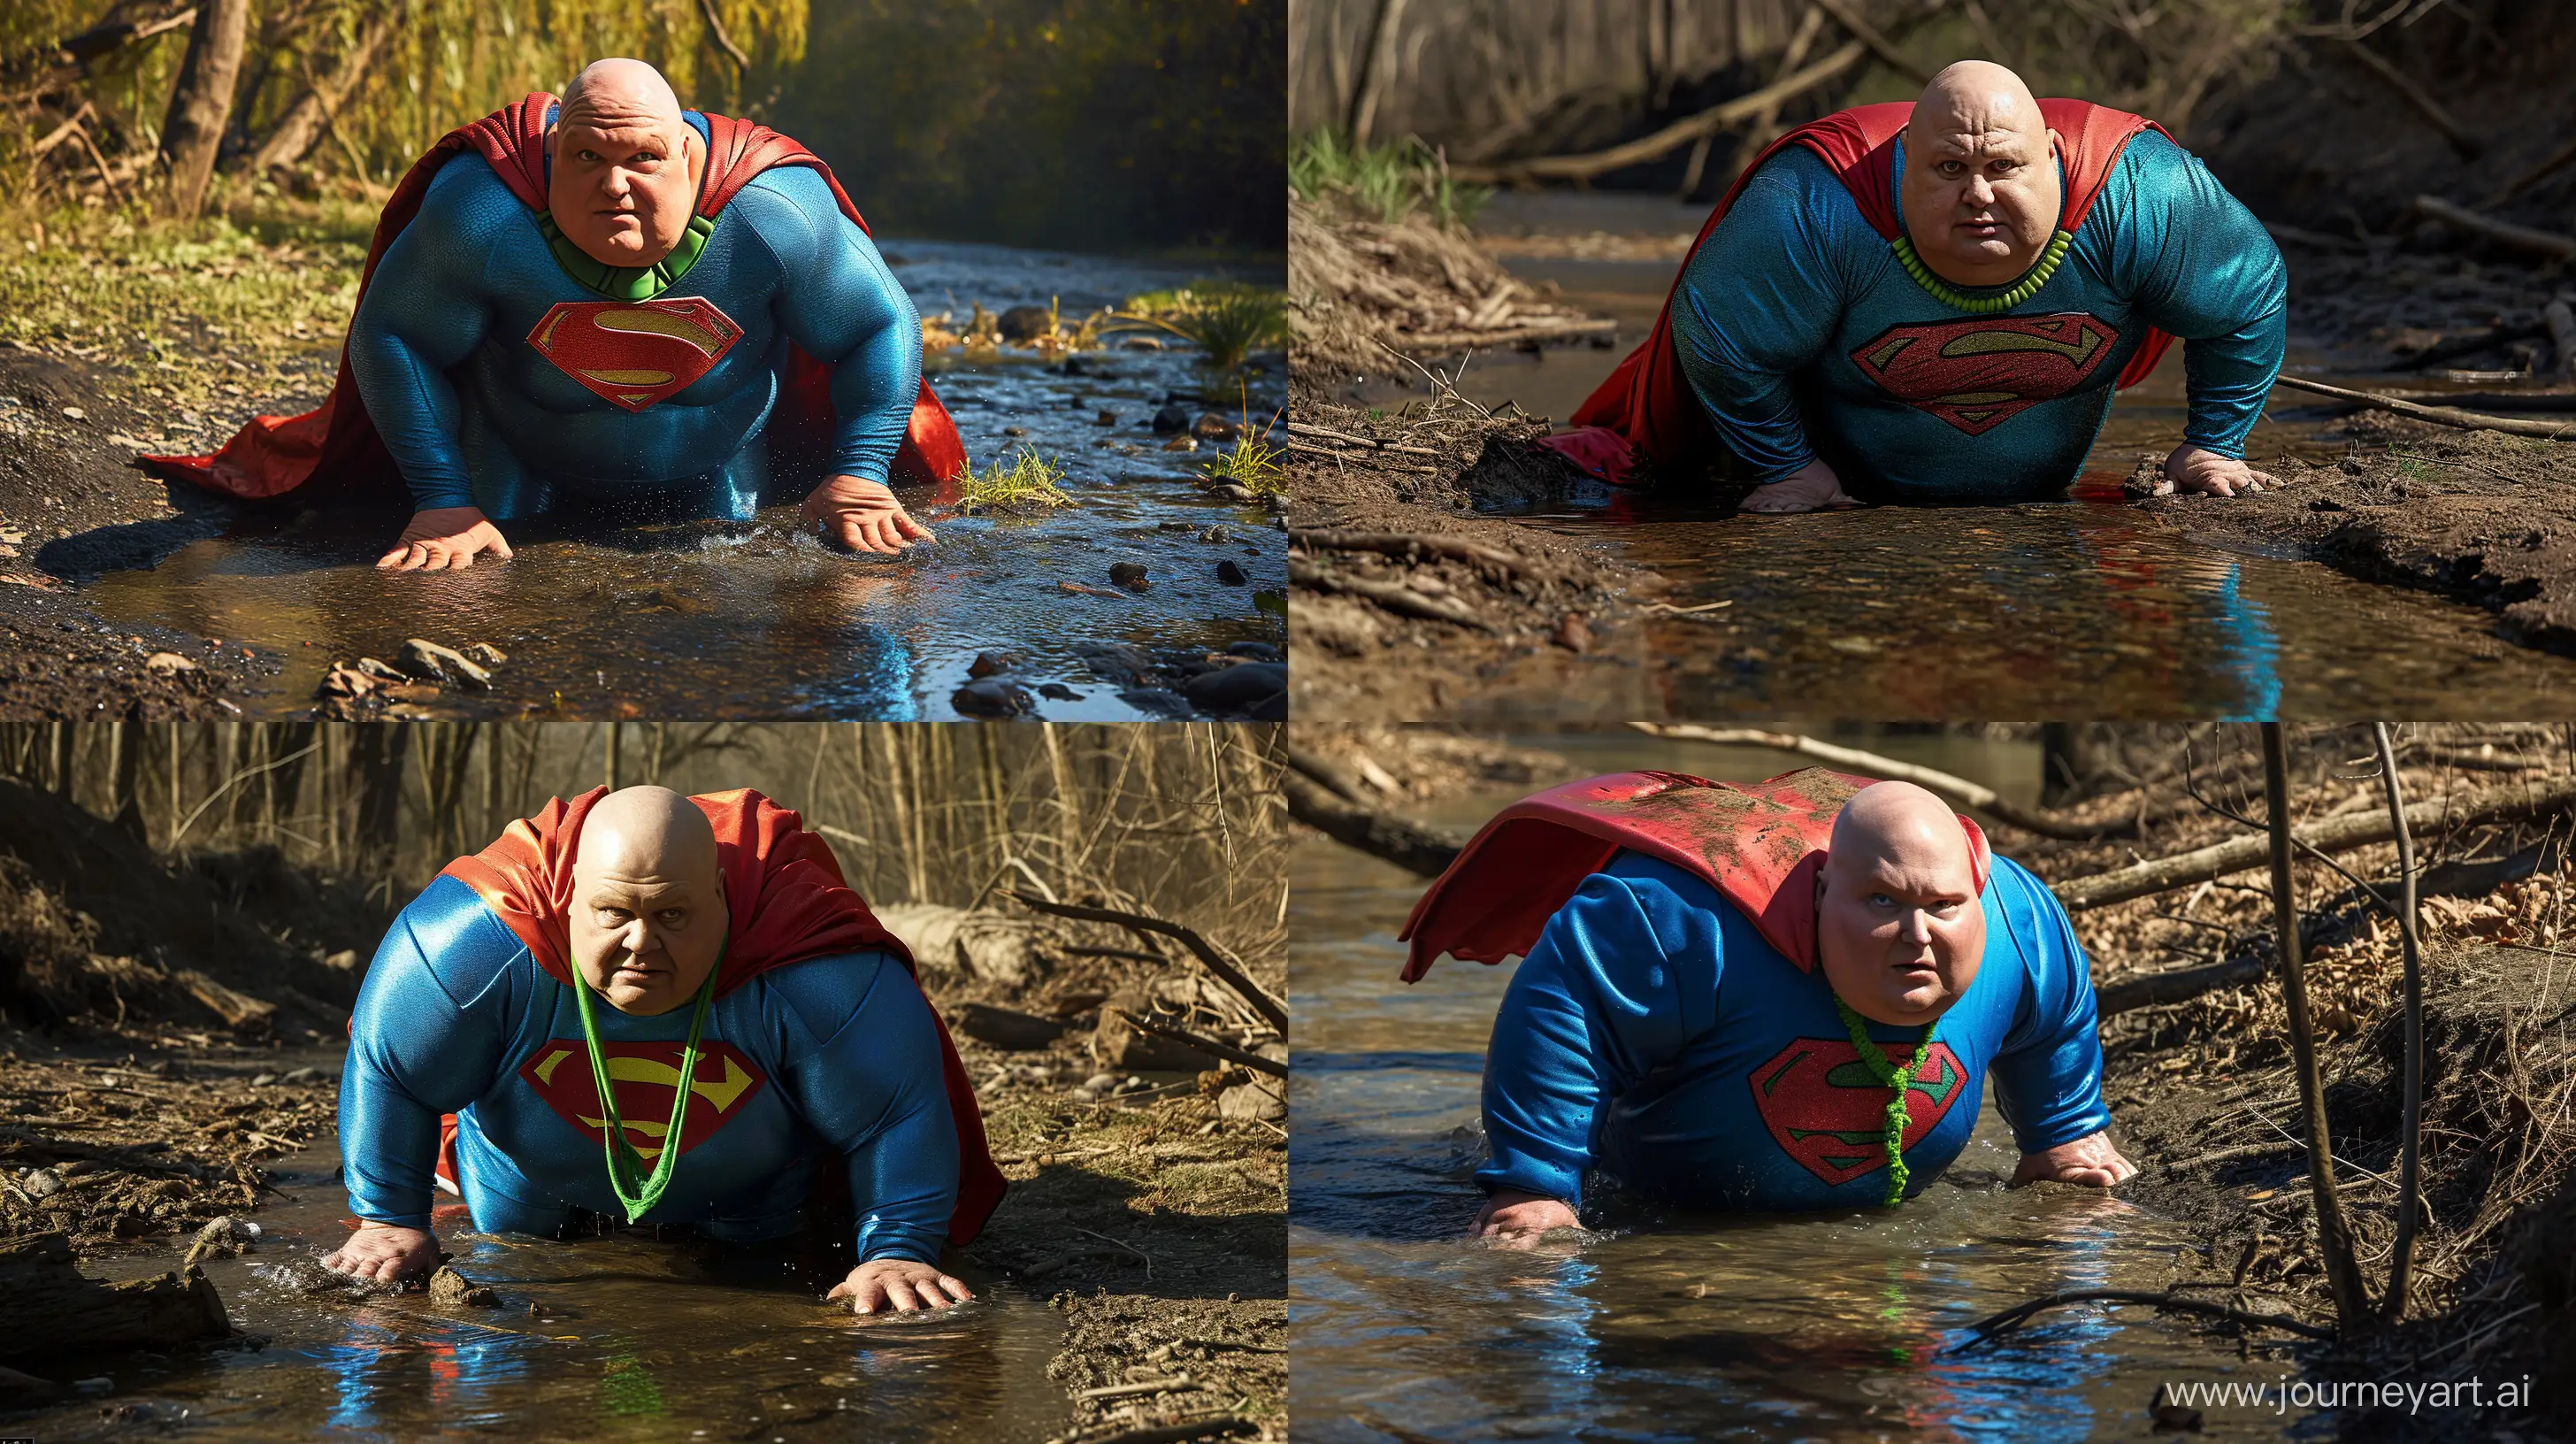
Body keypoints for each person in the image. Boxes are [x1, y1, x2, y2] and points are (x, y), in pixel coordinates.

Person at [144, 58, 966, 569]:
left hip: (723, 471)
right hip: (515, 466)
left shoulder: (774, 211)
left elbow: (879, 324)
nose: (615, 185)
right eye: (587, 158)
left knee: (748, 583)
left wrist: (858, 470)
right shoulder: (483, 216)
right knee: (463, 584)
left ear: (686, 153)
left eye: (643, 158)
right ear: (549, 153)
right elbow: (393, 335)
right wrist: (440, 497)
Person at [322, 785, 1004, 1314]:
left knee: (763, 1254)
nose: (642, 943)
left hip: (760, 1197)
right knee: (510, 1259)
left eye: (672, 915)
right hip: (523, 1182)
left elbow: (896, 1112)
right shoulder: (472, 944)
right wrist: (389, 1219)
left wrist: (895, 1251)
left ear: (720, 897)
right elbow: (392, 1069)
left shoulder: (816, 966)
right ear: (567, 900)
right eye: (614, 912)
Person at [1395, 768, 2134, 1240]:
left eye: (1943, 906)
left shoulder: (2021, 923)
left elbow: (2055, 1023)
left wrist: (2063, 1133)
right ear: (1819, 895)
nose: (1917, 936)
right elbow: (1563, 1010)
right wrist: (1536, 1182)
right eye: (1880, 901)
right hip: (1660, 1188)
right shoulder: (1676, 923)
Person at [1543, 59, 2285, 511]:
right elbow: (1720, 334)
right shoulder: (1817, 204)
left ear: (2054, 156)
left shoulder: (2140, 193)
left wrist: (2213, 444)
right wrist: (1787, 465)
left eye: (2004, 168)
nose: (1980, 196)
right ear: (1902, 159)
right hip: (1840, 486)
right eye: (1949, 170)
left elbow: (2247, 297)